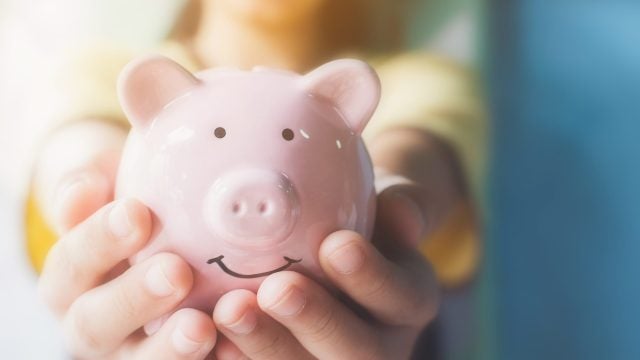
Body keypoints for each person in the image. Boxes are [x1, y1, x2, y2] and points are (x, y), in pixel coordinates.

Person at [27, 0, 485, 358]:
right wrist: (84, 179)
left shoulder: (414, 79)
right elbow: (79, 129)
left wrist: (383, 190)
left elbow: (415, 146)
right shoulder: (104, 72)